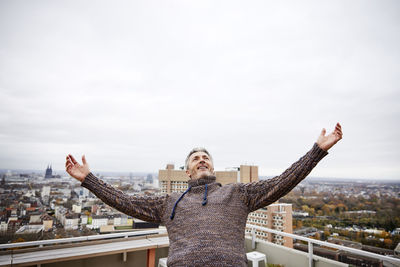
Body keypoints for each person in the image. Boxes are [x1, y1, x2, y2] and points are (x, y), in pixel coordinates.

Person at [66, 123, 342, 267]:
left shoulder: (238, 194)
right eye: (195, 158)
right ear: (187, 172)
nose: (201, 160)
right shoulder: (168, 202)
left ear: (212, 166)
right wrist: (89, 179)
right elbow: (124, 201)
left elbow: (283, 181)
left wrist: (316, 151)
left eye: (205, 157)